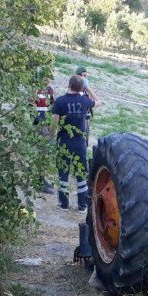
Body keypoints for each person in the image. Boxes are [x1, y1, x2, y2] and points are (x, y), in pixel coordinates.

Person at [52, 74, 99, 210]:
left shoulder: (60, 101)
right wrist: (88, 88)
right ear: (81, 87)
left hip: (64, 142)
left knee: (63, 173)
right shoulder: (84, 100)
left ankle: (64, 204)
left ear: (69, 85)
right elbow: (98, 102)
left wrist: (50, 138)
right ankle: (82, 205)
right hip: (80, 143)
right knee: (81, 174)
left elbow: (55, 124)